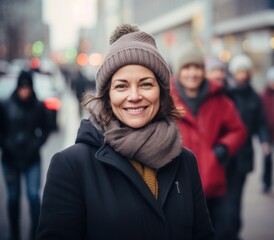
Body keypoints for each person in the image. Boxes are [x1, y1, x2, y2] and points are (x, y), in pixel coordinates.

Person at [36, 24, 215, 240]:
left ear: (162, 92)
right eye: (121, 86)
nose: (134, 96)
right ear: (107, 96)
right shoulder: (72, 166)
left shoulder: (185, 161)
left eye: (146, 84)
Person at [171, 43, 247, 240]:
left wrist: (223, 149)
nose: (192, 73)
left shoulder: (219, 99)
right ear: (178, 72)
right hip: (178, 185)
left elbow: (238, 130)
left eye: (196, 67)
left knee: (216, 232)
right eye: (187, 68)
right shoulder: (166, 100)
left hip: (213, 182)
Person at [221, 54, 270, 240]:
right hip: (224, 154)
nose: (242, 75)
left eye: (245, 71)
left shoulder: (254, 96)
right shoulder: (225, 94)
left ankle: (232, 232)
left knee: (235, 198)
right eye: (239, 71)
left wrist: (265, 141)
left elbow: (261, 123)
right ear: (233, 73)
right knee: (221, 199)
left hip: (243, 155)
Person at [0, 70, 50, 240]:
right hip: (10, 160)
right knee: (13, 198)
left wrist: (36, 145)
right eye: (22, 88)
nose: (24, 91)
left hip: (32, 159)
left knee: (33, 196)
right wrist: (7, 146)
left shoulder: (38, 106)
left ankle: (35, 234)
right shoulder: (5, 105)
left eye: (27, 88)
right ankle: (14, 233)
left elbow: (46, 129)